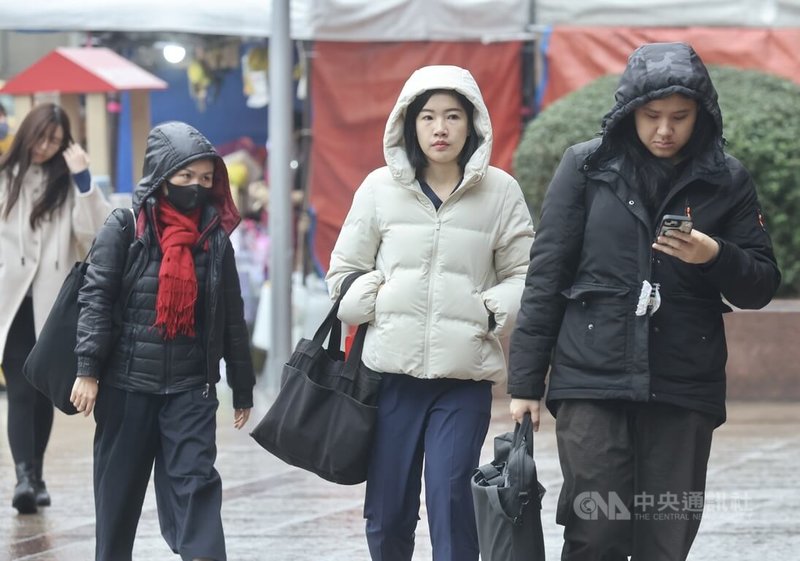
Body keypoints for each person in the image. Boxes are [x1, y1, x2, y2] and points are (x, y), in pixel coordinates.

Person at [508, 42, 781, 561]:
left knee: (666, 536)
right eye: (651, 116)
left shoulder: (727, 178)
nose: (664, 129)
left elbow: (761, 284)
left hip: (683, 383)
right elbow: (546, 276)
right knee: (598, 529)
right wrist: (524, 383)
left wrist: (714, 255)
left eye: (679, 117)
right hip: (592, 378)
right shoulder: (585, 168)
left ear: (701, 114)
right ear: (630, 112)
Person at [326, 65, 534, 561]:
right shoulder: (379, 188)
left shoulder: (501, 192)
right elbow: (343, 274)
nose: (440, 128)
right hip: (388, 379)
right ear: (409, 124)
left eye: (453, 116)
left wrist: (488, 313)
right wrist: (374, 295)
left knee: (451, 498)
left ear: (473, 125)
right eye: (428, 117)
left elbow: (527, 275)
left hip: (461, 380)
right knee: (388, 509)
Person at [70, 121, 255, 561]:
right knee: (117, 501)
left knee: (197, 490)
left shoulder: (215, 241)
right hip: (127, 388)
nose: (196, 187)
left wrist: (243, 386)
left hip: (191, 391)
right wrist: (88, 369)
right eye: (185, 176)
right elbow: (96, 297)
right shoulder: (125, 227)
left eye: (206, 179)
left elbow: (232, 315)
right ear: (160, 175)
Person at [0, 102, 111, 514]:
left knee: (42, 391)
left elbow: (98, 234)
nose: (45, 147)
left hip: (50, 308)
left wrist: (83, 179)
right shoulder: (4, 177)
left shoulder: (67, 186)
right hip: (9, 306)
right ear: (27, 133)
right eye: (41, 137)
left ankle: (36, 474)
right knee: (19, 391)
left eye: (55, 141)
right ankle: (25, 478)